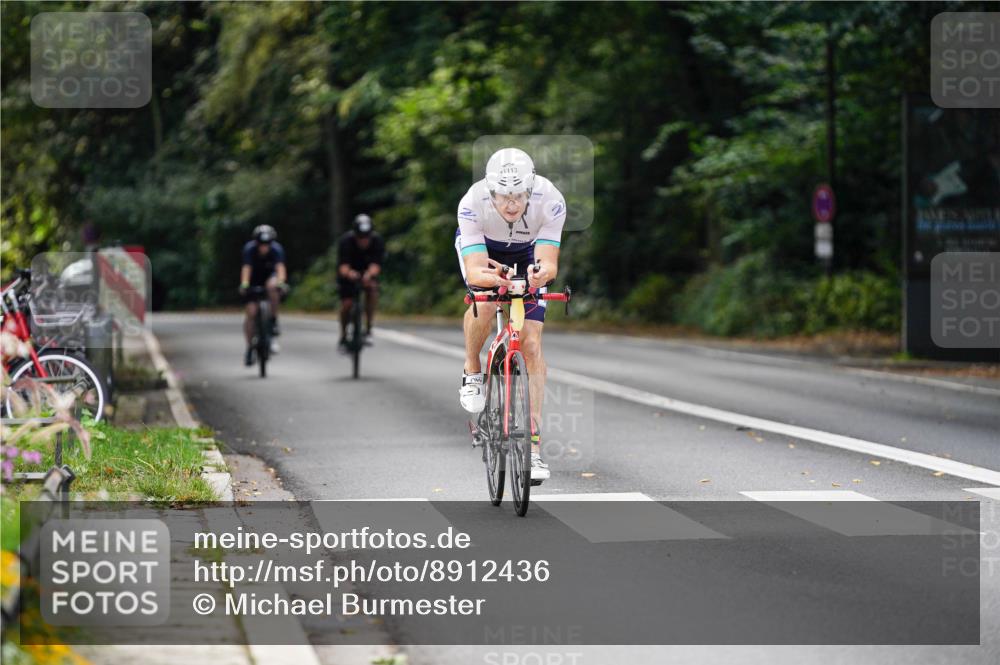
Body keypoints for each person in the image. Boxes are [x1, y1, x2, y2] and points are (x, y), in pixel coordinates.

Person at [455, 147, 566, 483]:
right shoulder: (472, 203)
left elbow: (549, 262)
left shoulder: (551, 199)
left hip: (528, 251)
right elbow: (475, 271)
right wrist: (497, 279)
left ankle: (532, 449)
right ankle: (472, 368)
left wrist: (539, 276)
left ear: (530, 190)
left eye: (519, 195)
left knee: (531, 344)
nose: (511, 204)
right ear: (491, 192)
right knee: (485, 302)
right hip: (484, 251)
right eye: (503, 196)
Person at [239, 225, 287, 366]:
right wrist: (245, 284)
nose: (264, 247)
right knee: (251, 313)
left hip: (269, 278)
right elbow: (246, 268)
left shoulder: (277, 250)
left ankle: (273, 319)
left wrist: (281, 282)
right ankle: (249, 347)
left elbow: (280, 268)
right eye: (261, 244)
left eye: (267, 244)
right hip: (253, 280)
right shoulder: (249, 250)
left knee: (273, 287)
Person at [337, 214, 384, 350]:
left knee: (373, 289)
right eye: (360, 238)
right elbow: (343, 266)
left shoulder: (377, 241)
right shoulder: (345, 241)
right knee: (346, 304)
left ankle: (368, 328)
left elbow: (376, 264)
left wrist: (369, 275)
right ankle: (343, 335)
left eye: (366, 237)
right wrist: (350, 274)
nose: (364, 241)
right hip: (348, 274)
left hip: (367, 274)